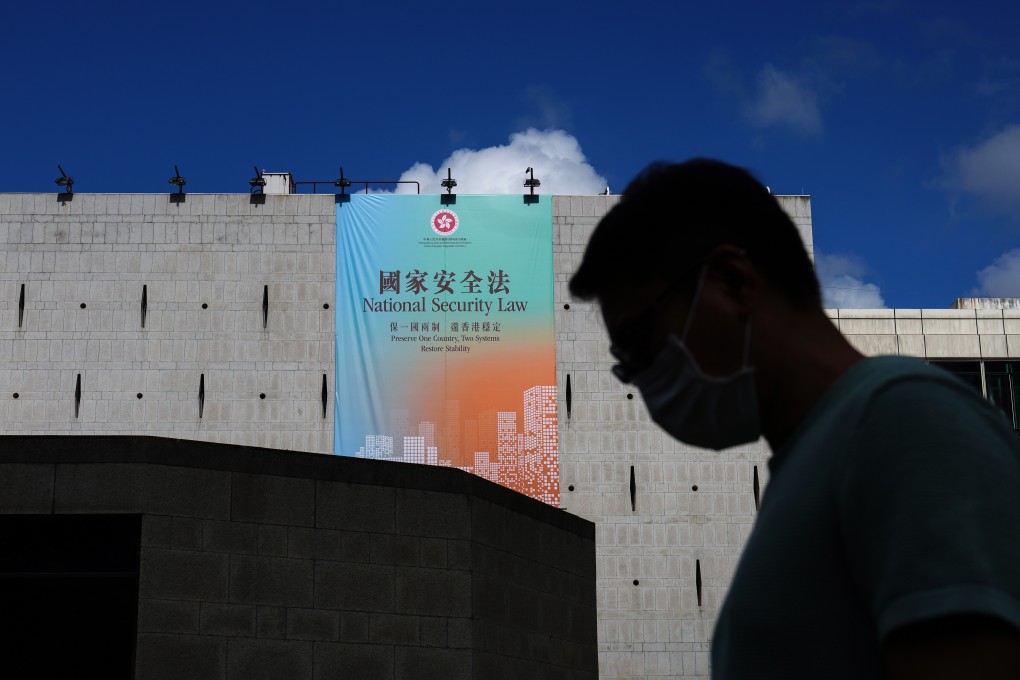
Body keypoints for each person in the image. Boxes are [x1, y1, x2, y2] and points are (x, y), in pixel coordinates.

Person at [568, 159, 1020, 678]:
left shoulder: (904, 423)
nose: (639, 378)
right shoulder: (823, 458)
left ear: (735, 283)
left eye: (639, 343)